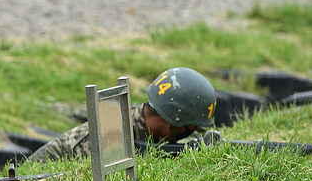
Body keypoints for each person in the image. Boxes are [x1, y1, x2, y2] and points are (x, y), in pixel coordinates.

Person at [27, 67, 218, 162]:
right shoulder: (107, 135)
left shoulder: (147, 130)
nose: (188, 133)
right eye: (187, 129)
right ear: (171, 119)